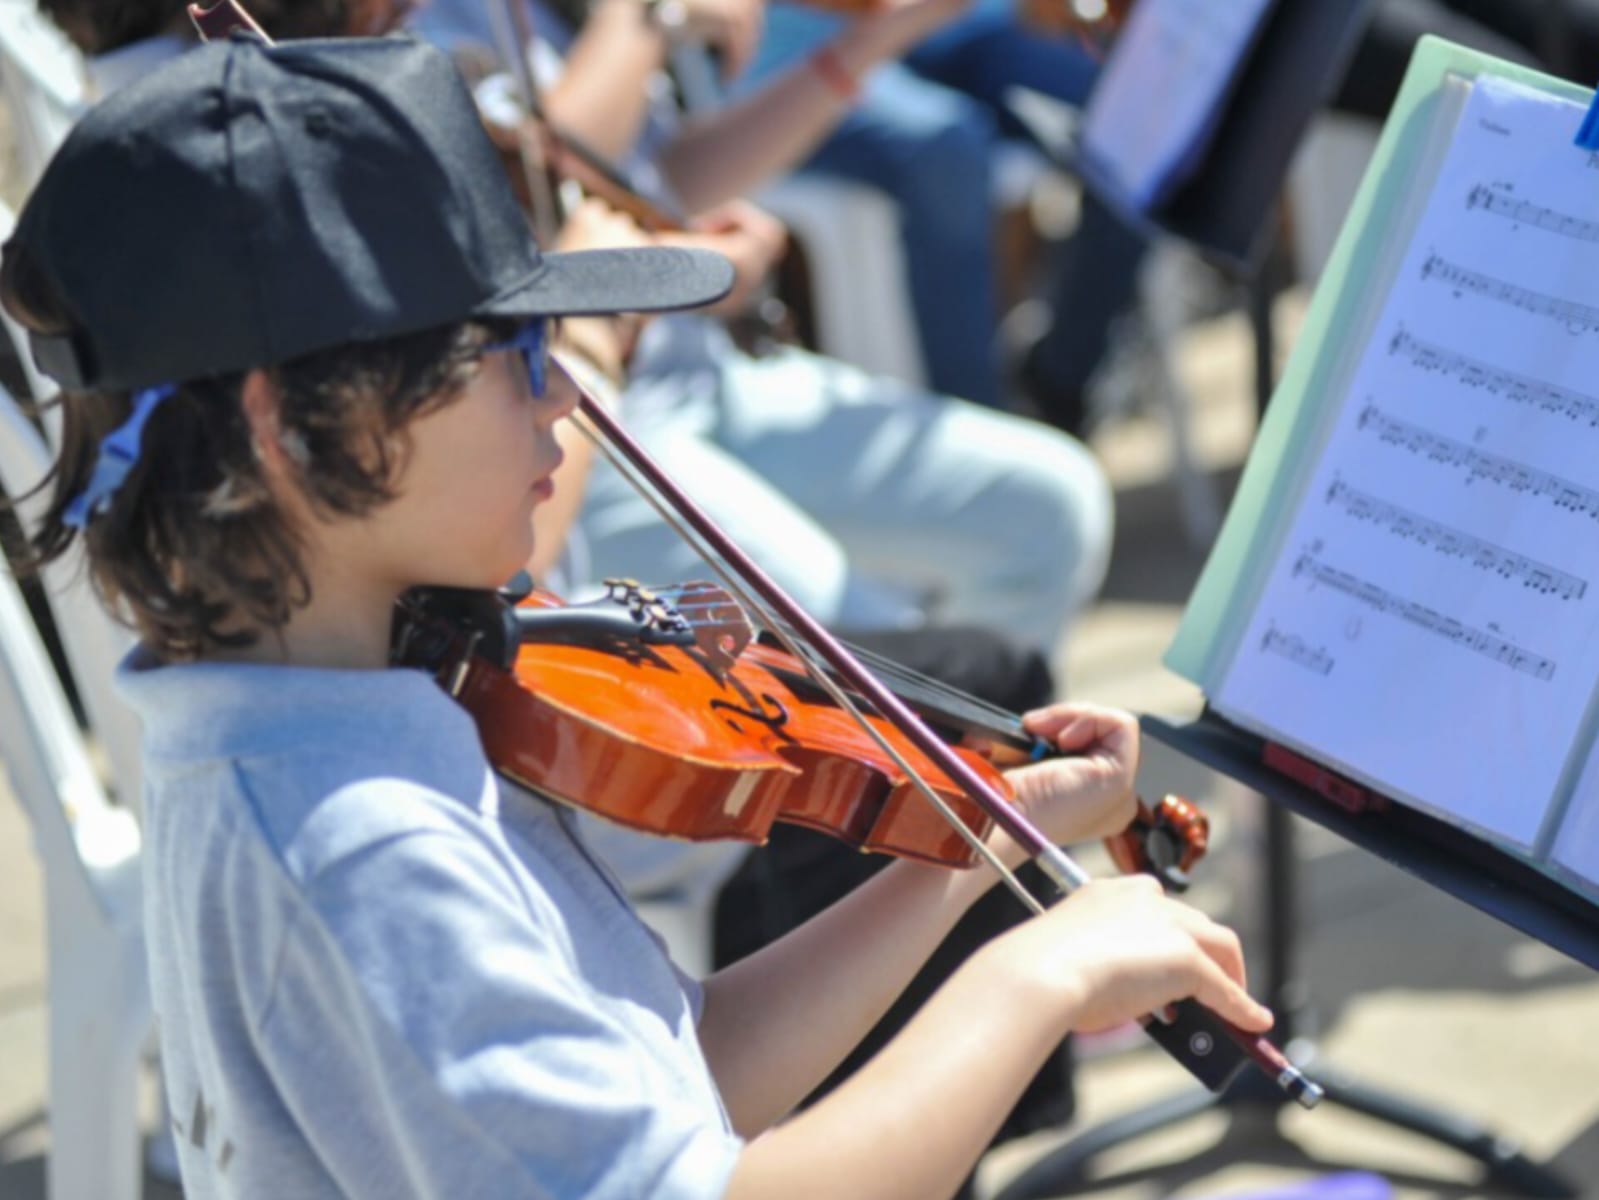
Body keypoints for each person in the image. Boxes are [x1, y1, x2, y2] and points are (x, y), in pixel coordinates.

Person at [4, 31, 1272, 1199]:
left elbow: (683, 1066)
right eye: (509, 355)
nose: (563, 396)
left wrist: (970, 854)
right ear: (294, 427)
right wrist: (1040, 973)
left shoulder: (353, 714)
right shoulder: (358, 844)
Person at [412, 0, 1114, 660]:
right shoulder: (412, 28)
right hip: (580, 433)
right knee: (871, 646)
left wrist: (870, 43)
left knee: (1053, 507)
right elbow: (552, 161)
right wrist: (648, 14)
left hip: (701, 374)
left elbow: (661, 177)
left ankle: (975, 767)